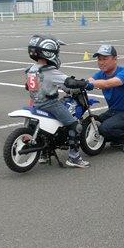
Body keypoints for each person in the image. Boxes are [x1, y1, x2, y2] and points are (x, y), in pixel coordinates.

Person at [25, 34, 88, 168]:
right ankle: (74, 157)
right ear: (50, 51)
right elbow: (68, 82)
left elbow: (30, 86)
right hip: (50, 104)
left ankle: (44, 153)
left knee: (46, 129)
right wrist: (83, 83)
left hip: (36, 103)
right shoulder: (50, 70)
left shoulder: (32, 69)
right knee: (74, 126)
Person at [90, 44, 124, 152]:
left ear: (115, 59)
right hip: (114, 111)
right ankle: (117, 137)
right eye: (99, 59)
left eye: (105, 59)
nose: (101, 62)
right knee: (94, 123)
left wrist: (91, 84)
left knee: (105, 129)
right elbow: (89, 80)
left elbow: (108, 84)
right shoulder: (101, 74)